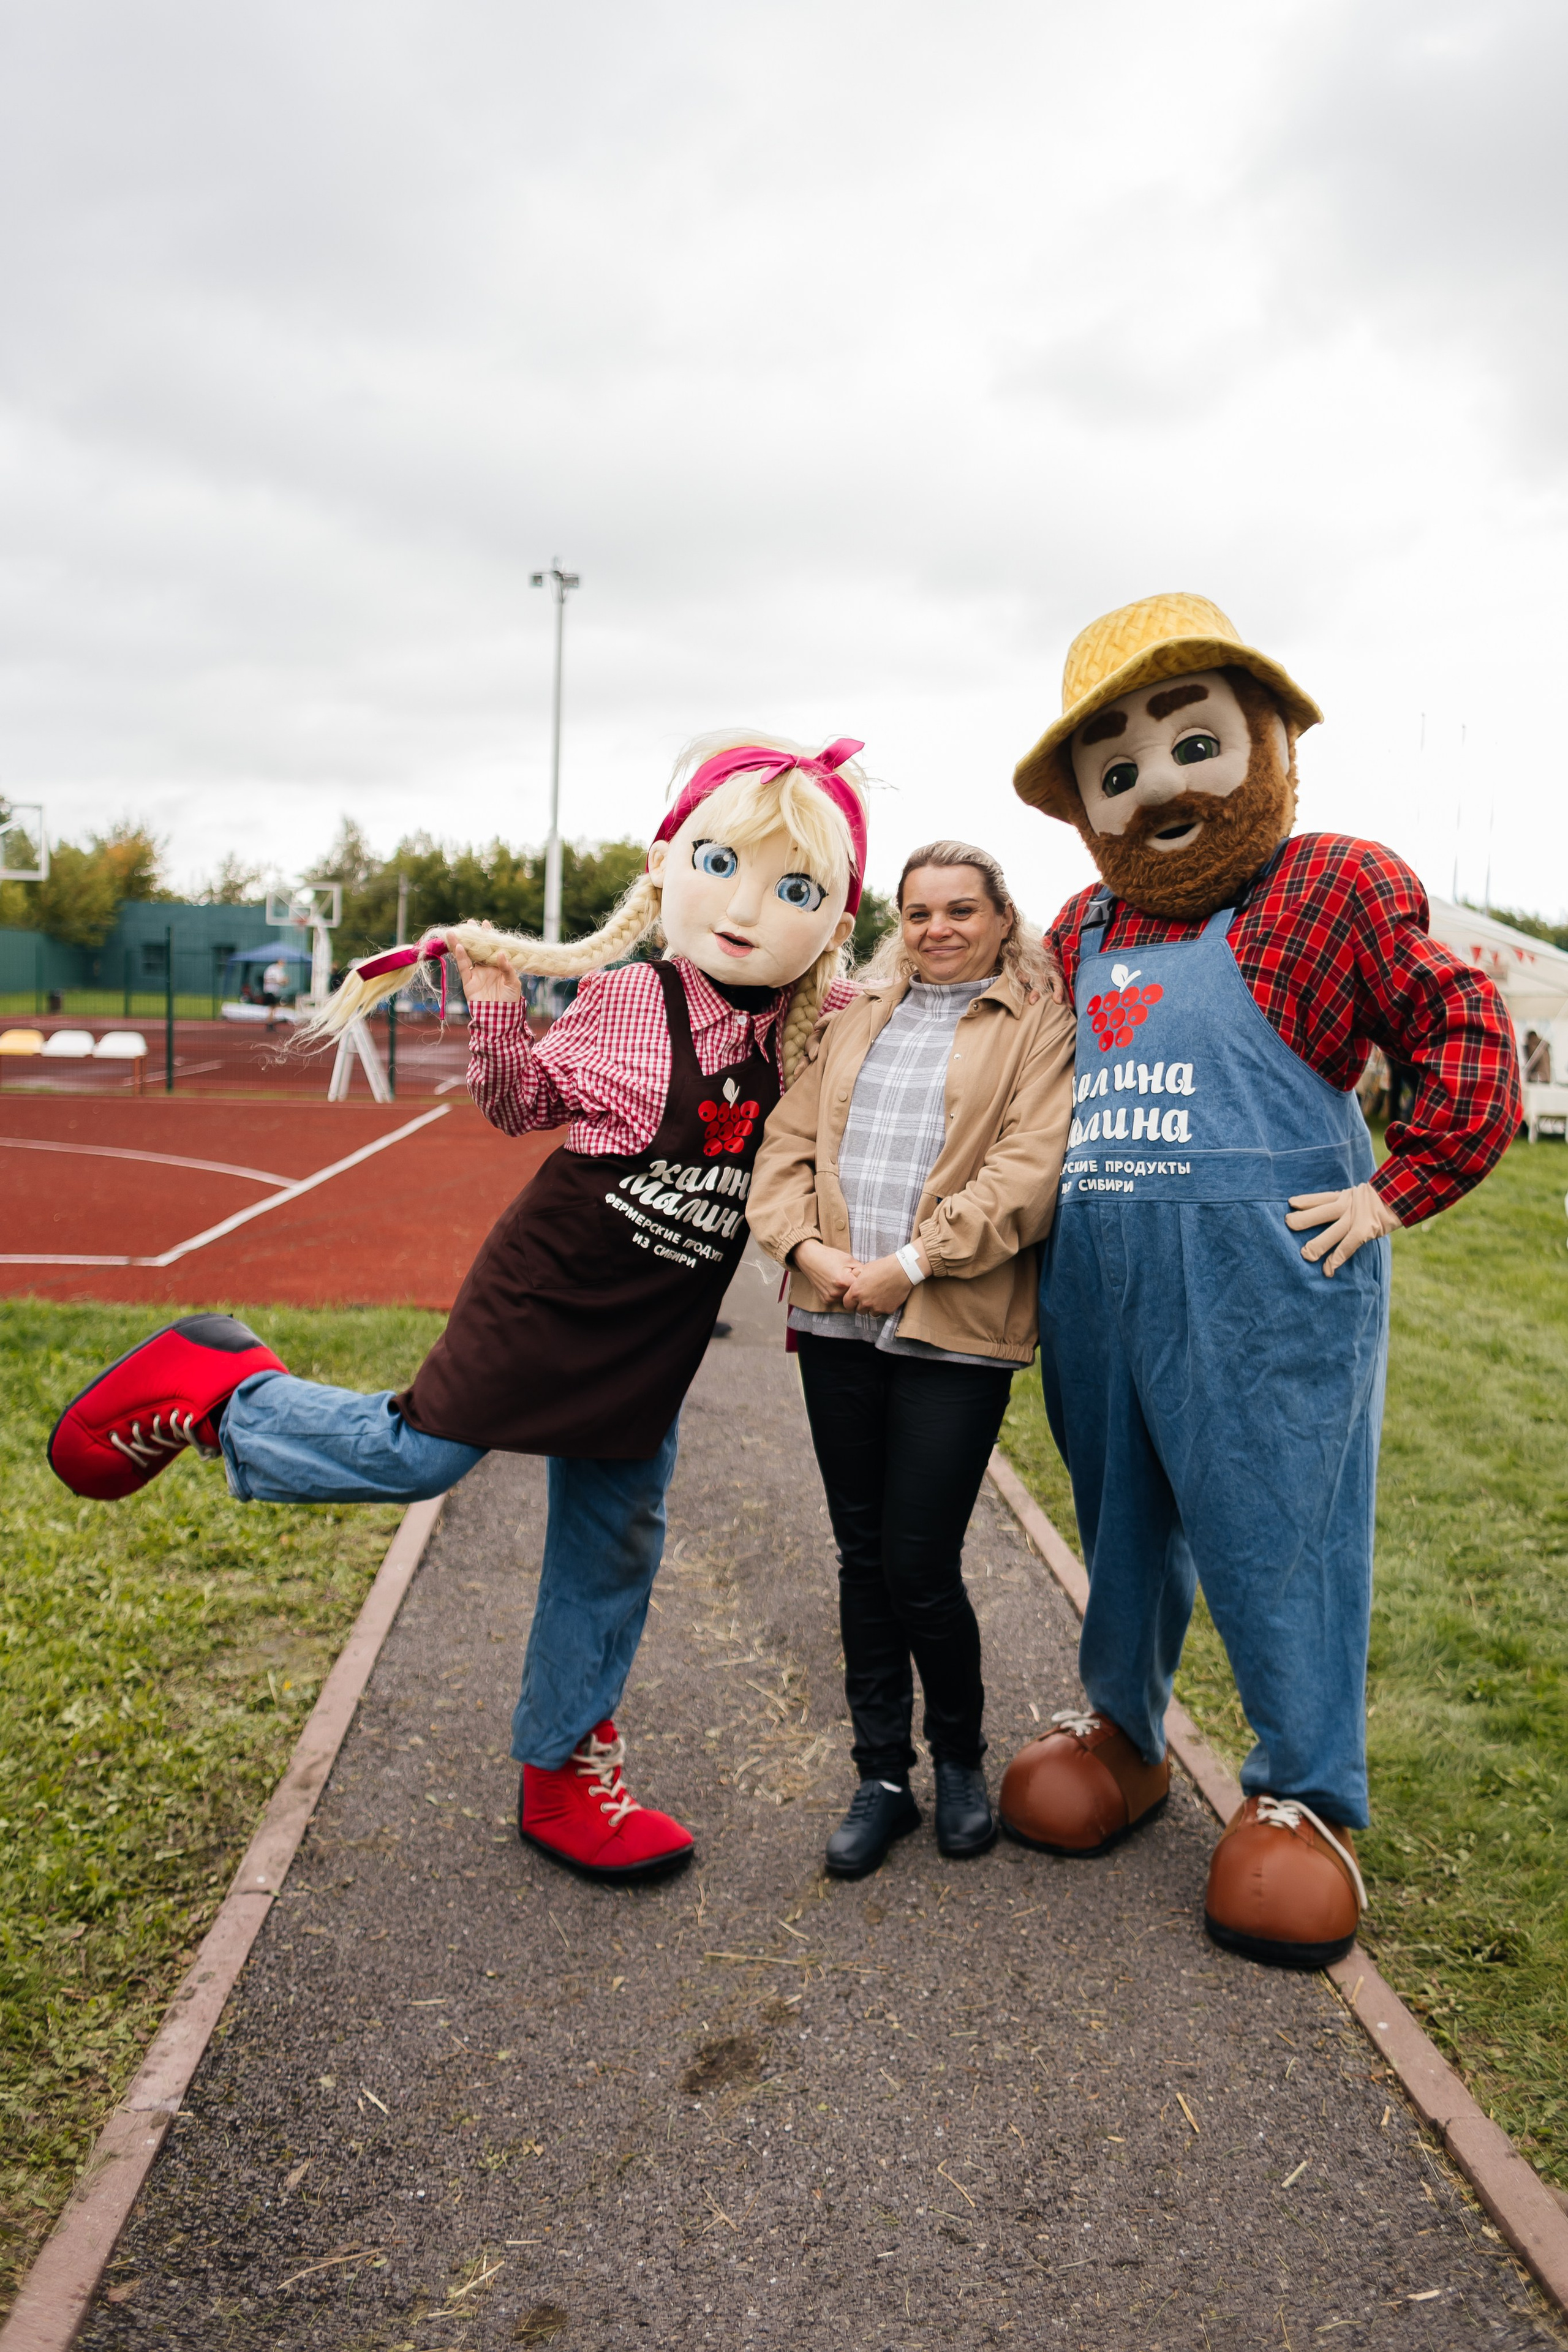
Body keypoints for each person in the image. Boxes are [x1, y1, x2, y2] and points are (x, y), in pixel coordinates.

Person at [47, 734, 869, 1885]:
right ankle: (222, 1389)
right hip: (551, 1289)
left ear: (833, 922)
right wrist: (496, 1009)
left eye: (793, 890)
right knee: (418, 1456)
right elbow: (520, 1102)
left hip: (654, 1326)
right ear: (664, 867)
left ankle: (561, 1772)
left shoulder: (806, 1033)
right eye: (721, 863)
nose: (746, 909)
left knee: (616, 1541)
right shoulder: (637, 998)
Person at [998, 592, 1520, 1967]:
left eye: (1189, 745)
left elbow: (1459, 1026)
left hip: (1266, 1283)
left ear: (1268, 738)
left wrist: (1391, 1188)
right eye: (1115, 774)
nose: (1155, 786)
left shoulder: (1329, 888)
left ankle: (1303, 1791)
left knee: (1279, 1528)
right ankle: (1122, 1730)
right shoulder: (1081, 926)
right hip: (1102, 1281)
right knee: (1117, 1518)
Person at [749, 842, 1076, 1878]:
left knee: (920, 1562)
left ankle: (962, 1761)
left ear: (999, 916)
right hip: (835, 1315)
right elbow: (784, 1148)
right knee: (861, 1555)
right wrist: (802, 1247)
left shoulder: (1036, 1023)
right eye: (920, 911)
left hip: (952, 1324)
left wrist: (912, 1263)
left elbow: (1030, 1174)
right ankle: (882, 1774)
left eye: (961, 911)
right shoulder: (856, 1015)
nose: (938, 928)